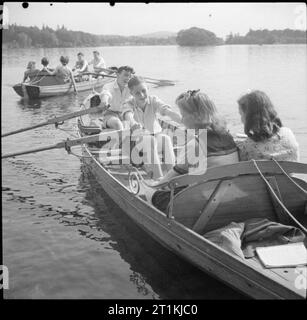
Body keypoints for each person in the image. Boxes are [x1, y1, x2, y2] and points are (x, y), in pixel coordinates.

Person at [150, 90, 239, 211]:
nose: (181, 120)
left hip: (203, 204)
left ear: (197, 116)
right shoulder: (228, 138)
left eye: (183, 115)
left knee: (151, 192)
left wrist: (153, 185)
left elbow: (168, 181)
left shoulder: (195, 145)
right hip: (229, 197)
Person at [122, 76, 182, 179]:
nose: (142, 95)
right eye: (137, 93)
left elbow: (166, 111)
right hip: (135, 145)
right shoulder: (128, 103)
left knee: (166, 139)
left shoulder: (153, 100)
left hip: (154, 138)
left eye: (144, 91)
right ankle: (159, 180)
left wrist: (183, 120)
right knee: (149, 140)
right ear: (131, 93)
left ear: (148, 88)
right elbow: (128, 115)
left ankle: (173, 178)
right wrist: (133, 123)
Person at [236, 90, 299, 161]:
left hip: (260, 172)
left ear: (249, 117)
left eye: (241, 115)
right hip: (289, 171)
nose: (241, 120)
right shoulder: (288, 134)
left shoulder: (247, 147)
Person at [99, 66, 135, 130]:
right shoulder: (108, 86)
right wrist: (104, 101)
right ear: (118, 75)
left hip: (126, 113)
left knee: (132, 122)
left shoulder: (131, 88)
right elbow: (106, 93)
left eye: (130, 76)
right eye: (126, 75)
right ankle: (123, 137)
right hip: (110, 114)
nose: (128, 78)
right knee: (118, 124)